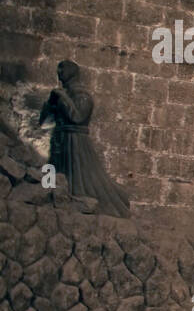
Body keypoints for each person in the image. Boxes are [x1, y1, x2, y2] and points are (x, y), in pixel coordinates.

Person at [37, 59, 130, 217]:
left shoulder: (83, 95)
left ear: (72, 73)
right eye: (58, 69)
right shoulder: (61, 95)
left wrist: (63, 98)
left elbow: (77, 117)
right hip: (59, 140)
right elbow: (44, 123)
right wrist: (50, 104)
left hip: (75, 142)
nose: (59, 73)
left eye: (62, 69)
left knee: (78, 177)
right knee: (55, 173)